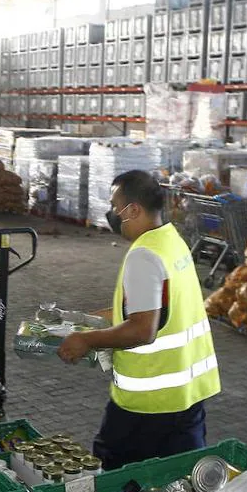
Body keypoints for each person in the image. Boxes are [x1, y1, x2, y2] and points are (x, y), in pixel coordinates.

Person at [57, 170, 220, 470]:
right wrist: (86, 321)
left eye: (114, 206)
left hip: (149, 404)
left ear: (133, 209)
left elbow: (143, 329)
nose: (111, 214)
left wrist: (85, 340)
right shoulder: (171, 241)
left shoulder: (143, 256)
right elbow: (155, 310)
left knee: (112, 474)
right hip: (187, 397)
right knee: (180, 481)